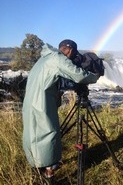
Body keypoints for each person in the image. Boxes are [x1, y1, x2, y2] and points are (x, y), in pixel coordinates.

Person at [22, 43, 99, 178]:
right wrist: (95, 77)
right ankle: (49, 170)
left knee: (34, 133)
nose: (73, 57)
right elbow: (78, 75)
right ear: (69, 50)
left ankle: (37, 166)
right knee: (48, 133)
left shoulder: (44, 59)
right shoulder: (57, 59)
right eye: (74, 54)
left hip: (31, 102)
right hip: (41, 104)